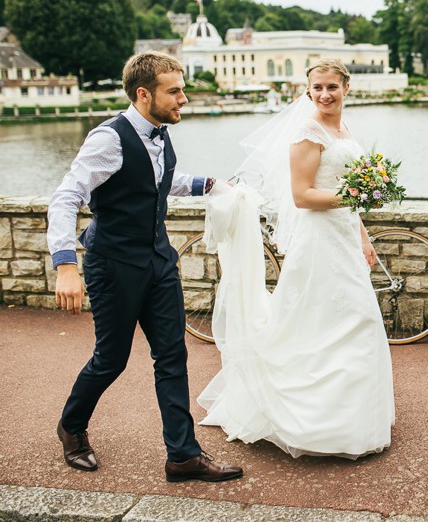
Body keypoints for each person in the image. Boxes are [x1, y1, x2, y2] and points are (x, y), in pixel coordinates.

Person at [47, 51, 243, 481]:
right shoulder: (108, 138)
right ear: (143, 94)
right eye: (174, 91)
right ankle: (72, 427)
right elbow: (66, 197)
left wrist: (207, 184)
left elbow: (158, 180)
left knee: (172, 356)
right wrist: (65, 264)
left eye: (182, 89)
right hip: (113, 265)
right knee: (110, 359)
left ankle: (182, 456)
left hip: (158, 262)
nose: (184, 99)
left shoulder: (159, 131)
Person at [197, 58, 394, 459]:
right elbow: (303, 196)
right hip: (318, 241)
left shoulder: (342, 128)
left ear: (346, 88)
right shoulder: (307, 132)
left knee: (352, 320)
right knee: (331, 319)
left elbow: (344, 192)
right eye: (317, 88)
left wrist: (364, 236)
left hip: (343, 235)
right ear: (308, 91)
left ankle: (352, 418)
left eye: (331, 88)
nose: (324, 94)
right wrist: (355, 198)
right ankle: (309, 420)